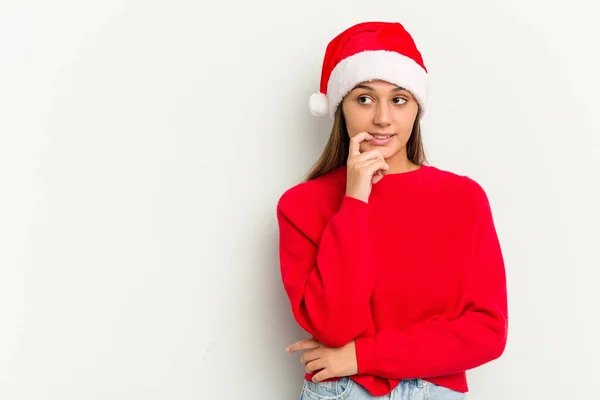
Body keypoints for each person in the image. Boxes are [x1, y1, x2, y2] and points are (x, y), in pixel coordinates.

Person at [276, 21, 508, 400]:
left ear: (417, 108)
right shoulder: (302, 205)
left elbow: (486, 332)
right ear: (340, 108)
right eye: (364, 99)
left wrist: (359, 355)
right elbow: (334, 326)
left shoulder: (462, 198)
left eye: (399, 99)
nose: (382, 118)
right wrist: (354, 201)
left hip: (435, 390)